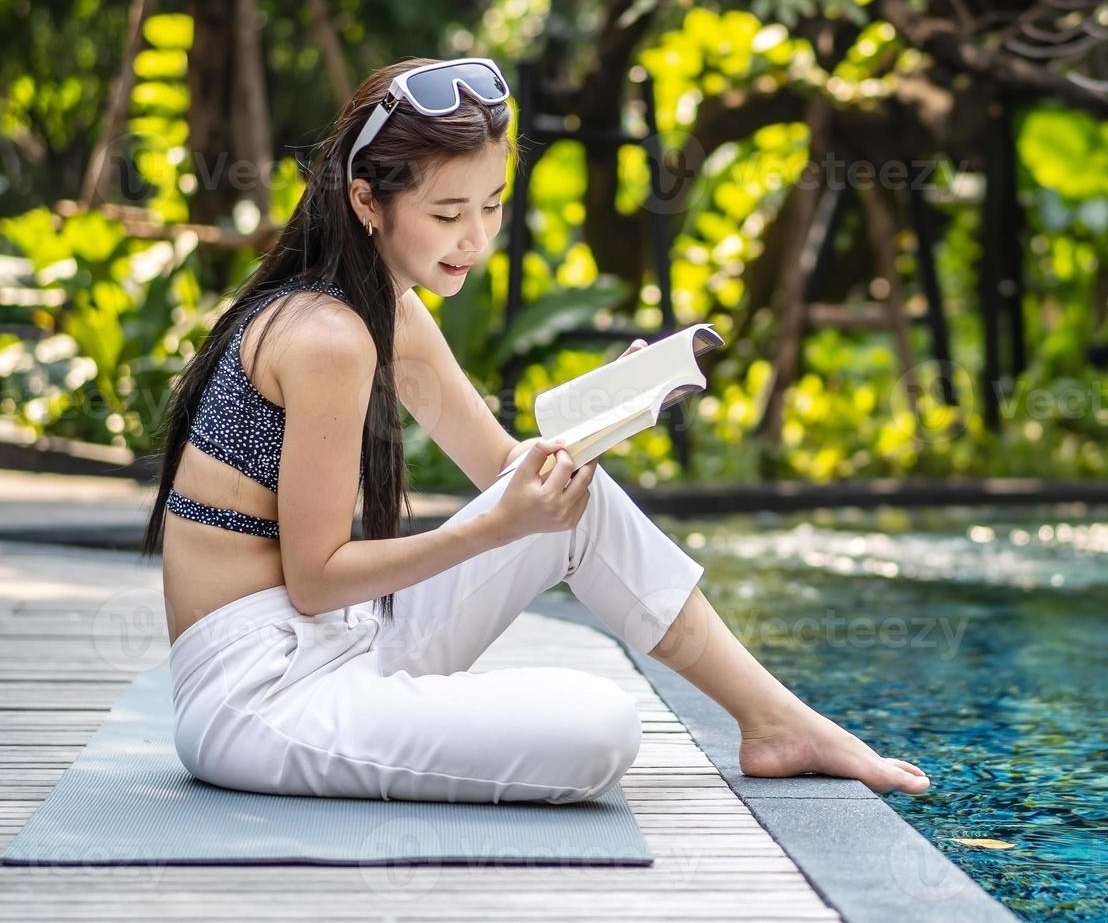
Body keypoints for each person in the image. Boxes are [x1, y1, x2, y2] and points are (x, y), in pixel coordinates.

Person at [141, 56, 930, 804]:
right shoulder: (326, 337)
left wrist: (610, 408)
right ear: (365, 201)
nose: (475, 239)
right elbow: (315, 580)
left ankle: (775, 720)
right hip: (260, 696)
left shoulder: (391, 310)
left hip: (341, 643)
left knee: (576, 500)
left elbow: (507, 471)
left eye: (491, 205)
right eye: (447, 212)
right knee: (602, 728)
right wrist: (501, 527)